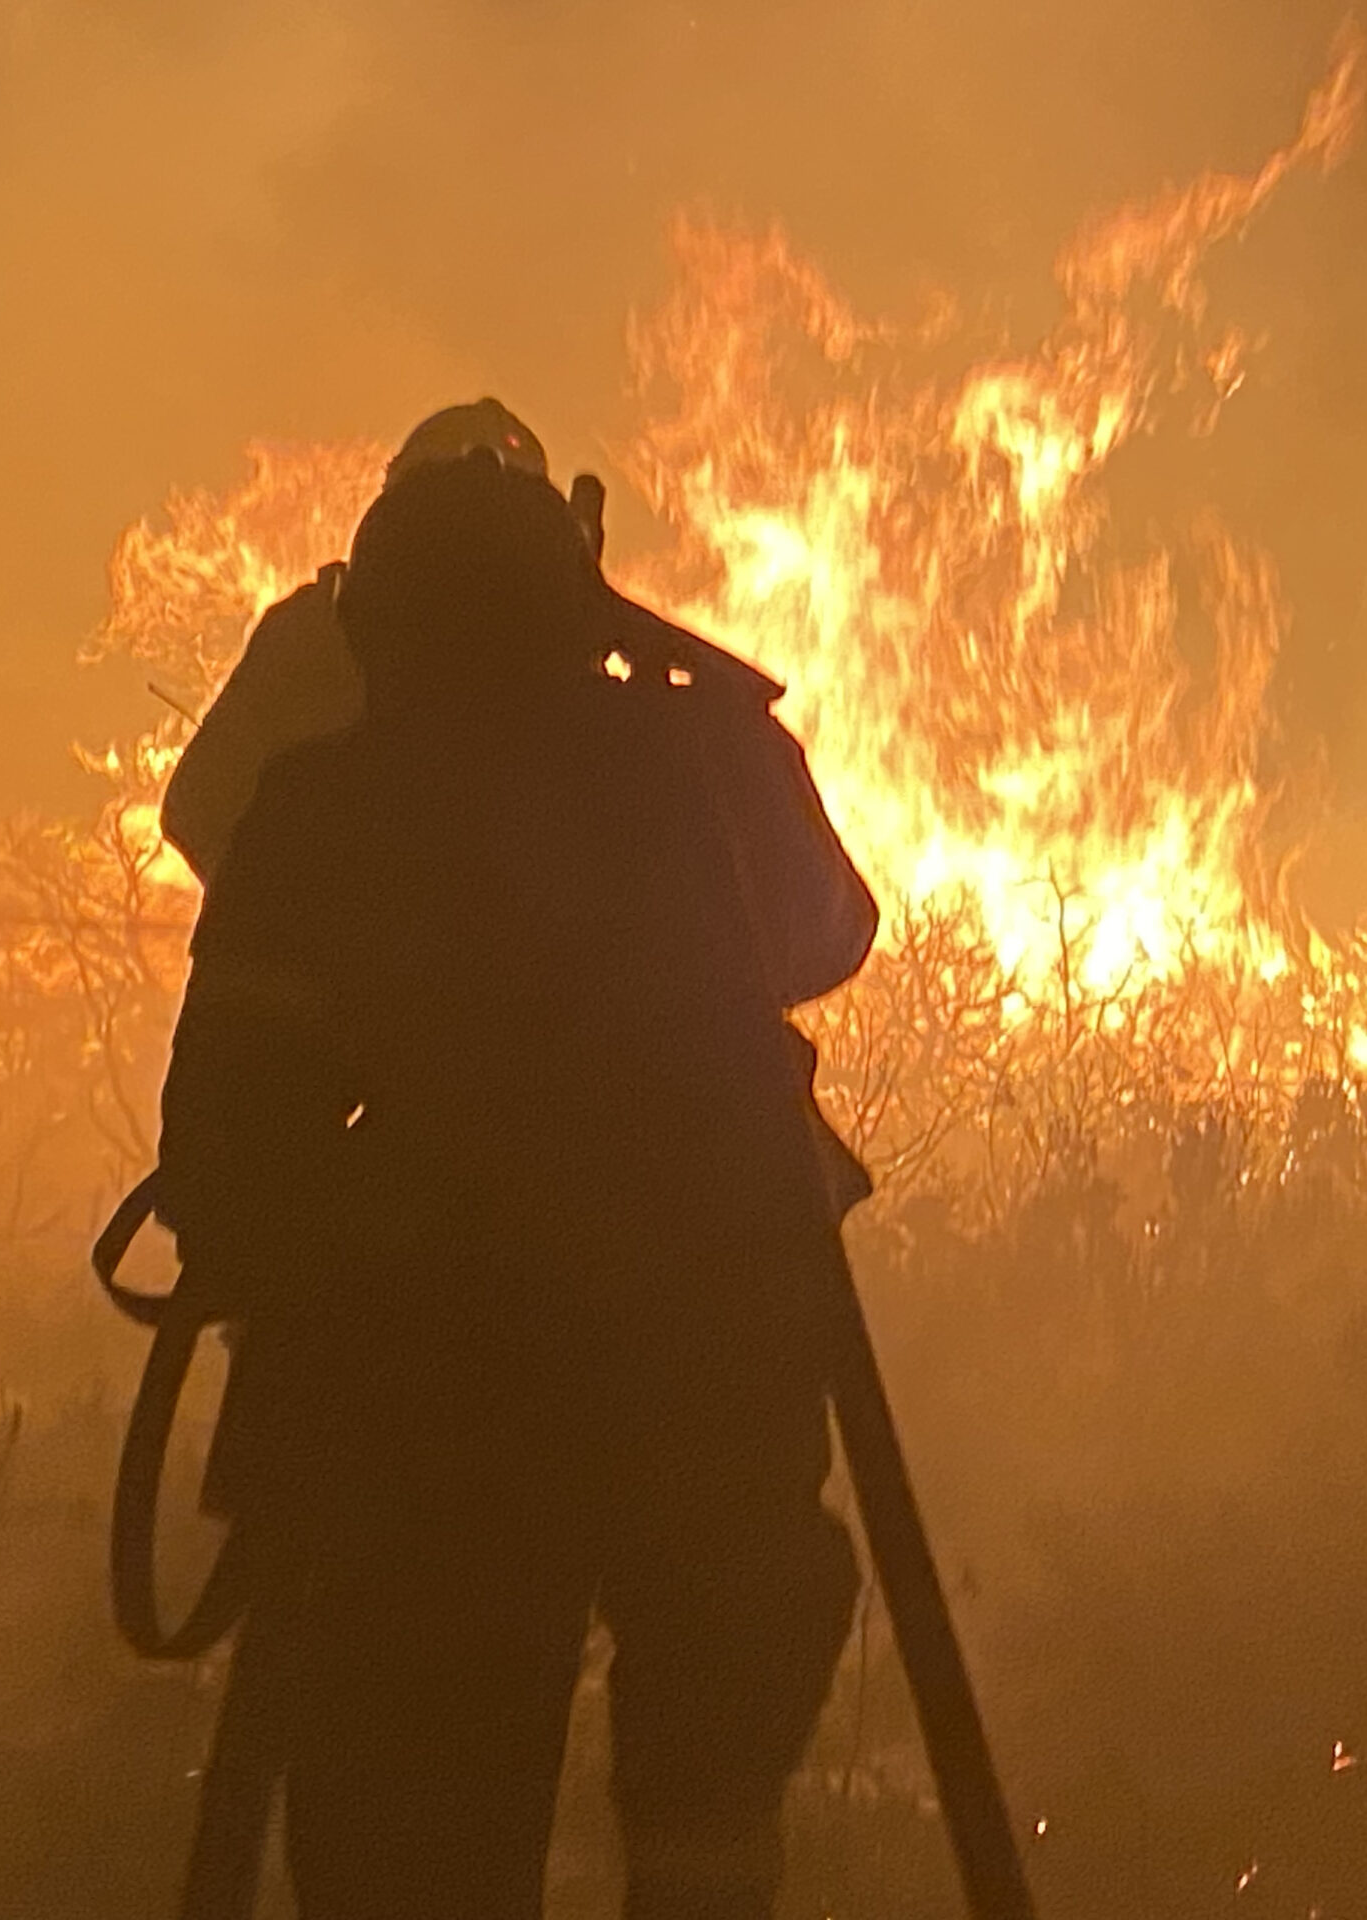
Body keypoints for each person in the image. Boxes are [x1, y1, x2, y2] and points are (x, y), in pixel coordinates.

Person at [154, 405, 877, 1918]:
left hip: (421, 1421)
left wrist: (336, 1269)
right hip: (706, 1373)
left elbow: (230, 1156)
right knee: (704, 1822)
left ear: (373, 626)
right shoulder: (689, 760)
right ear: (579, 602)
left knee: (416, 1846)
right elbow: (826, 934)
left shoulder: (326, 809)